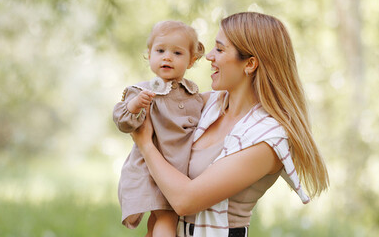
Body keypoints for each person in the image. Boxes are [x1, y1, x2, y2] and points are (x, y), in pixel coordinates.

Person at [130, 12, 329, 236]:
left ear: (250, 64)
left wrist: (145, 144)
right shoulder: (207, 105)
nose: (209, 56)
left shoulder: (267, 138)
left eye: (220, 49)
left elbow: (185, 200)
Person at [112, 20, 206, 237]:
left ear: (191, 61)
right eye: (160, 50)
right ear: (149, 55)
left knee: (156, 223)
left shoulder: (192, 93)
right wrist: (135, 106)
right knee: (167, 217)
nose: (167, 57)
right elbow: (124, 121)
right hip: (152, 170)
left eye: (177, 53)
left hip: (174, 170)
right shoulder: (142, 91)